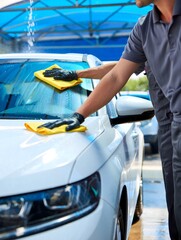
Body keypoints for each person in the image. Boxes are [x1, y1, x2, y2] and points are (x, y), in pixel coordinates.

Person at [40, 0, 181, 239]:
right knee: (176, 207)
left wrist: (78, 74)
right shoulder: (145, 29)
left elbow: (116, 71)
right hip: (170, 125)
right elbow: (117, 73)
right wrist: (78, 113)